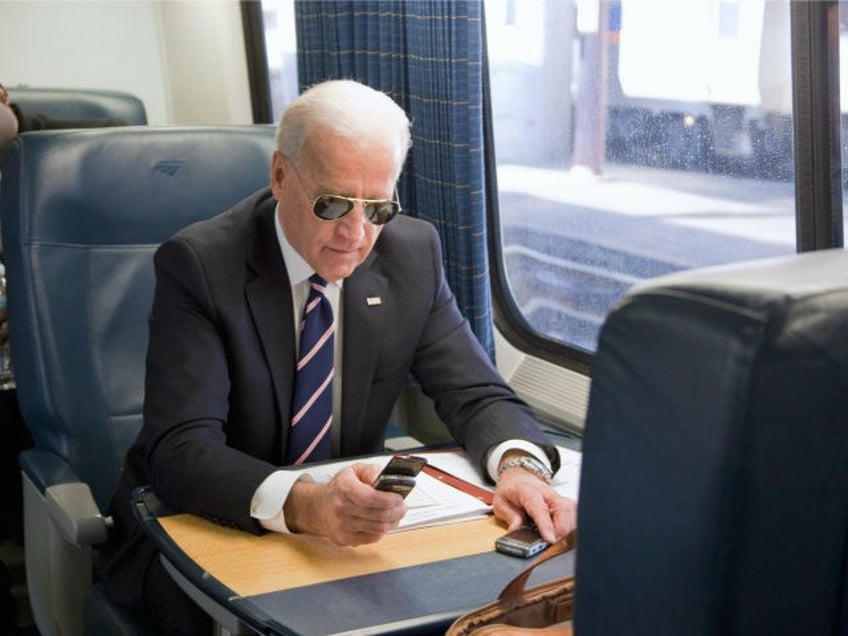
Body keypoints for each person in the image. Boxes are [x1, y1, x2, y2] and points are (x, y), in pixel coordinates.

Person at [100, 79, 577, 634]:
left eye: (377, 207)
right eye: (333, 204)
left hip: (345, 539)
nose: (356, 234)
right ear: (280, 176)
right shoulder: (202, 265)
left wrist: (519, 469)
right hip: (198, 529)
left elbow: (475, 392)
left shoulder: (412, 253)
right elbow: (180, 450)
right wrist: (305, 504)